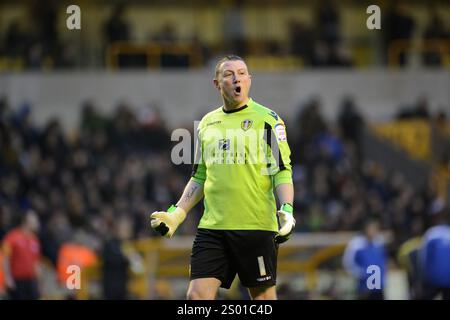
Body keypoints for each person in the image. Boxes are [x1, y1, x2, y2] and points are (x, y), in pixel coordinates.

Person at [150, 55, 295, 300]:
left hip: (256, 227)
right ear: (217, 83)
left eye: (242, 72)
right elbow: (200, 176)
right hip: (213, 229)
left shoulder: (268, 120)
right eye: (228, 74)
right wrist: (177, 214)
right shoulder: (207, 123)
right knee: (196, 296)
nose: (236, 77)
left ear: (249, 80)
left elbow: (281, 170)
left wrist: (287, 209)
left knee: (262, 300)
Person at [342, 218, 387, 300]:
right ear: (366, 229)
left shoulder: (379, 242)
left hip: (378, 286)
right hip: (363, 285)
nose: (374, 231)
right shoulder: (356, 244)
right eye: (372, 229)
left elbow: (382, 261)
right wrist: (360, 273)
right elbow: (348, 262)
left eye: (376, 229)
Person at [2, 210, 41, 300]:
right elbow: (5, 258)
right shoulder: (11, 237)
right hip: (17, 280)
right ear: (25, 222)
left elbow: (36, 262)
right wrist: (8, 278)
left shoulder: (35, 240)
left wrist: (39, 282)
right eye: (34, 221)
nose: (37, 223)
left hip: (31, 280)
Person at [419, 203, 450, 300]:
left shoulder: (431, 234)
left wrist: (421, 278)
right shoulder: (432, 233)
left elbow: (423, 259)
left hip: (433, 279)